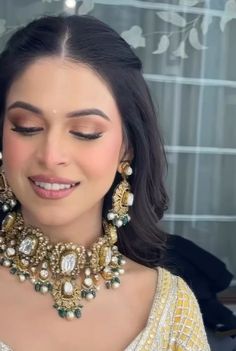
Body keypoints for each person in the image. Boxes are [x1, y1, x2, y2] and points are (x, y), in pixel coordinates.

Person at [0, 15, 210, 351]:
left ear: (127, 147)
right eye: (26, 126)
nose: (51, 155)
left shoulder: (171, 308)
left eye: (86, 132)